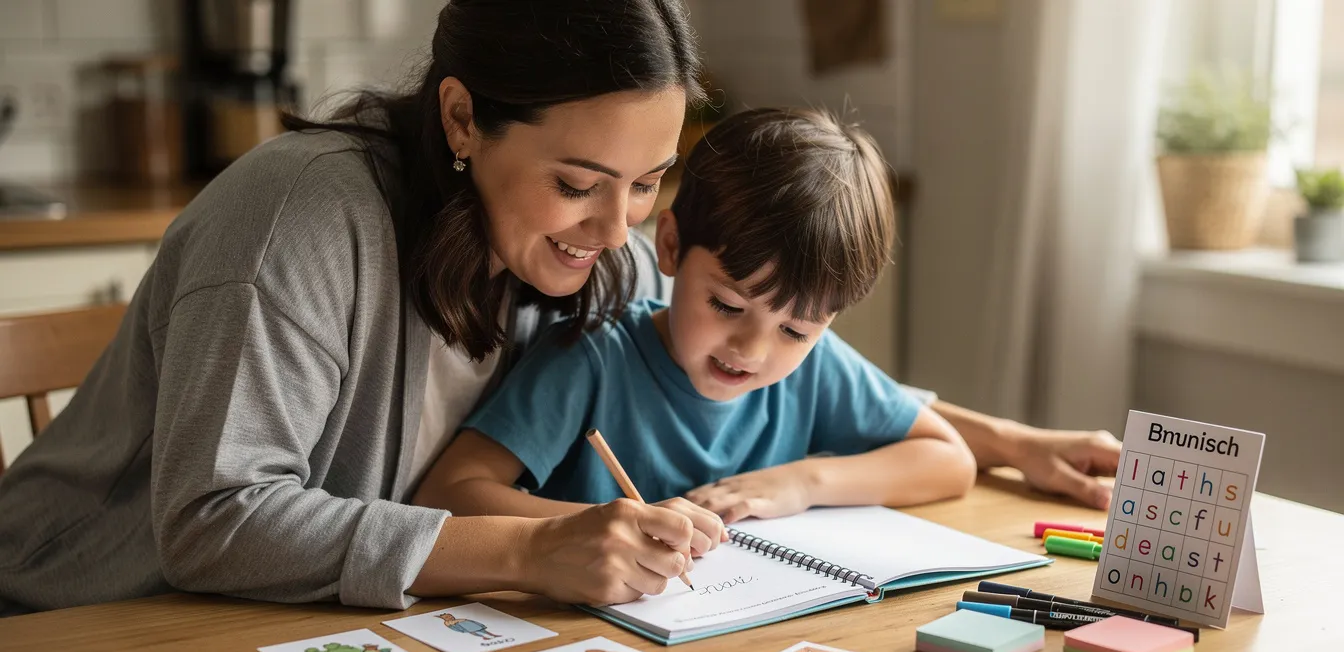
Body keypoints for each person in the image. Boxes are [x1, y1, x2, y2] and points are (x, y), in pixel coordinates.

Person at [0, 0, 1118, 617]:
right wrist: (527, 555)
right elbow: (216, 519)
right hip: (92, 617)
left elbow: (766, 350)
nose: (617, 227)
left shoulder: (590, 252)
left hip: (301, 632)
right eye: (581, 182)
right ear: (460, 117)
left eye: (646, 185)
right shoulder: (298, 223)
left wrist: (1009, 441)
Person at [415, 108, 979, 535]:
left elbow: (950, 460)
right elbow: (448, 492)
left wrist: (801, 482)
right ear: (670, 246)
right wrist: (582, 528)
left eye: (796, 331)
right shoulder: (591, 358)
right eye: (728, 306)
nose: (753, 350)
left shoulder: (814, 369)